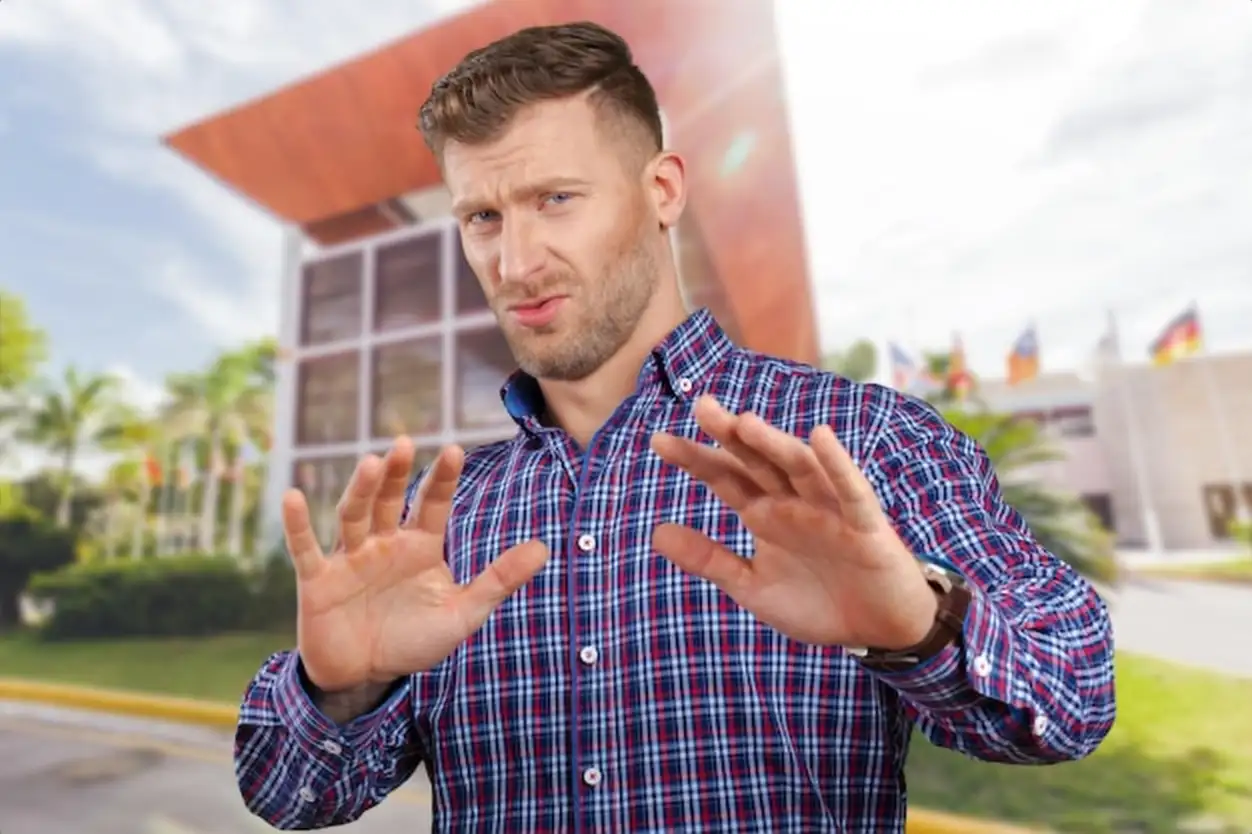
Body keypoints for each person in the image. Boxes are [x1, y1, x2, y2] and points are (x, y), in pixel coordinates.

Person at [234, 20, 1116, 833]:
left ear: (661, 190)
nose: (515, 261)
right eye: (483, 217)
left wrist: (923, 627)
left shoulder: (858, 442)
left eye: (556, 199)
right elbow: (286, 794)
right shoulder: (444, 519)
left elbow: (1077, 694)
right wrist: (341, 689)